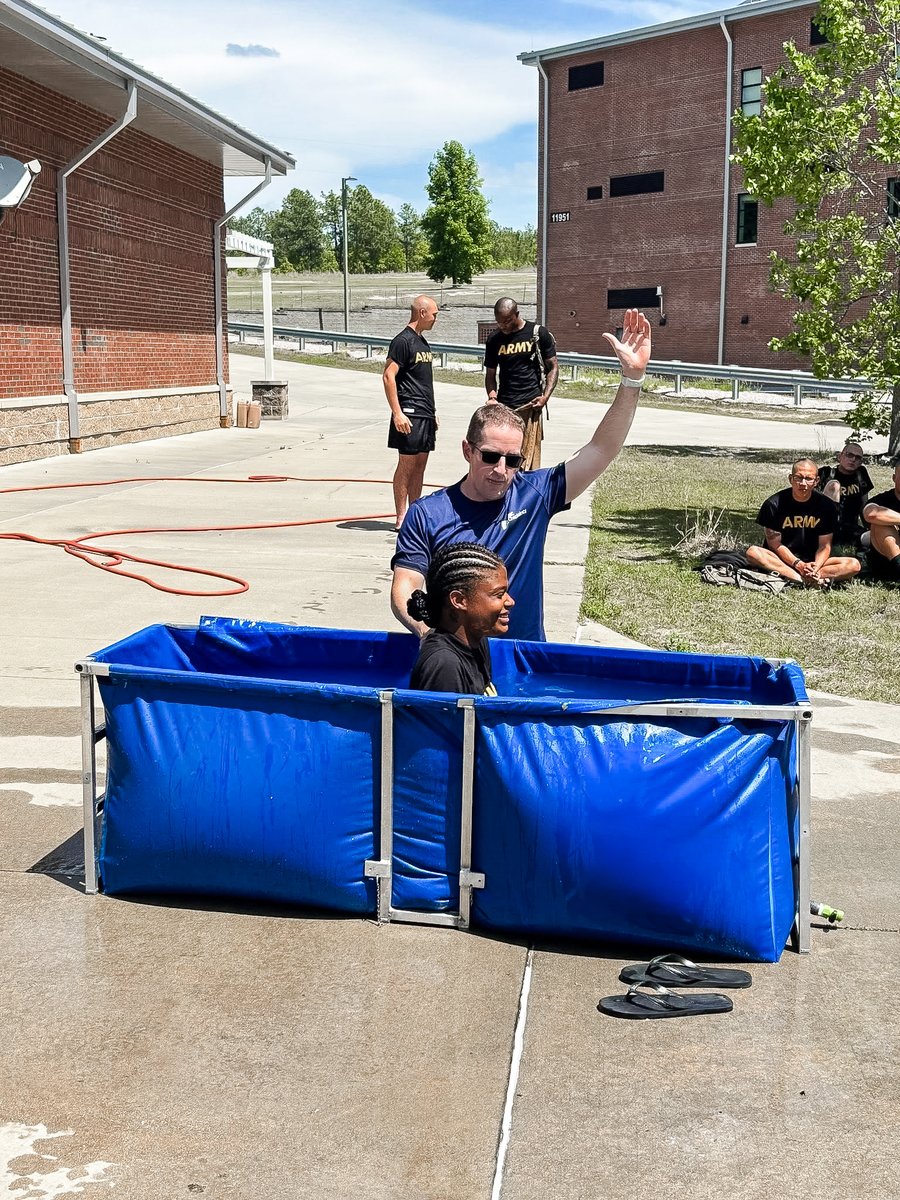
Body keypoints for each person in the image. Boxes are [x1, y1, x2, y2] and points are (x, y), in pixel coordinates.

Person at [391, 307, 652, 642]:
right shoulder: (427, 514)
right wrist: (428, 633)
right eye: (490, 456)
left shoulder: (536, 495)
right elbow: (406, 586)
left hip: (524, 659)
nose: (501, 470)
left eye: (513, 460)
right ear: (467, 451)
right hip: (459, 661)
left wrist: (632, 381)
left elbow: (601, 449)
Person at [408, 543, 513, 694]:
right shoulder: (444, 665)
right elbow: (441, 718)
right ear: (459, 600)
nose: (510, 602)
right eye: (498, 594)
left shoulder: (477, 641)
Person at [746, 458, 861, 588]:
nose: (803, 483)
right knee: (753, 552)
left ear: (816, 481)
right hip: (783, 560)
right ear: (790, 479)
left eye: (808, 478)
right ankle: (803, 580)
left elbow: (825, 545)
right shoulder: (773, 504)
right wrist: (798, 564)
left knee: (854, 565)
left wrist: (815, 567)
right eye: (798, 478)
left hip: (814, 561)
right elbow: (774, 544)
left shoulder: (827, 506)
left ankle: (803, 577)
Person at [383, 295, 439, 530]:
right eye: (434, 314)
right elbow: (388, 376)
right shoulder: (402, 341)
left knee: (420, 465)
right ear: (422, 313)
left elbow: (423, 382)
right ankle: (401, 516)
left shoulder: (423, 343)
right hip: (408, 412)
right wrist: (397, 413)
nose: (436, 319)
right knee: (406, 465)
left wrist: (433, 412)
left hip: (425, 414)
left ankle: (415, 513)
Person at [483, 297, 558, 471]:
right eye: (499, 322)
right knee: (506, 458)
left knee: (528, 460)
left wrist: (545, 397)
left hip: (531, 407)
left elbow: (553, 367)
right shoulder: (494, 340)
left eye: (507, 321)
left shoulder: (538, 333)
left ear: (517, 314)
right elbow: (490, 375)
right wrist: (492, 397)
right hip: (504, 407)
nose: (503, 326)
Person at [816, 441, 873, 550]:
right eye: (849, 455)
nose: (853, 459)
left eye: (857, 457)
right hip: (827, 528)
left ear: (861, 462)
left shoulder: (861, 474)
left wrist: (870, 528)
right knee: (834, 486)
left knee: (878, 538)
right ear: (839, 457)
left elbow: (864, 505)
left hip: (851, 528)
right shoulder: (826, 473)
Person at [862, 456, 900, 584]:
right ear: (894, 478)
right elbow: (870, 514)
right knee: (880, 524)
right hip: (887, 561)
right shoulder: (882, 500)